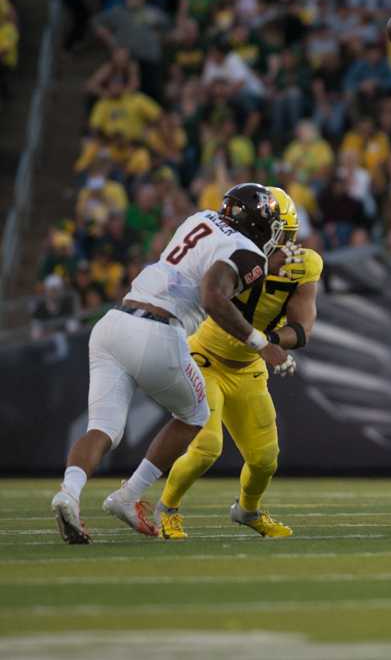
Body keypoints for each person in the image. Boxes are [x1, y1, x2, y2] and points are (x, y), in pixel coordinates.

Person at [50, 184, 288, 544]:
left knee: (103, 428)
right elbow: (212, 294)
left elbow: (202, 262)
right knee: (195, 416)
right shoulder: (250, 253)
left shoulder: (201, 219)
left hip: (113, 323)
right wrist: (258, 342)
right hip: (158, 330)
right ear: (259, 222)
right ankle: (129, 496)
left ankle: (68, 493)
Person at [157, 188, 320, 539]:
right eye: (284, 234)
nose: (287, 242)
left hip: (248, 366)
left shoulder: (303, 265)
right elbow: (210, 296)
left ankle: (247, 512)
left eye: (289, 236)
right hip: (205, 358)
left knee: (265, 459)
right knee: (206, 448)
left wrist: (270, 343)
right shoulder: (234, 255)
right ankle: (166, 509)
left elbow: (303, 328)